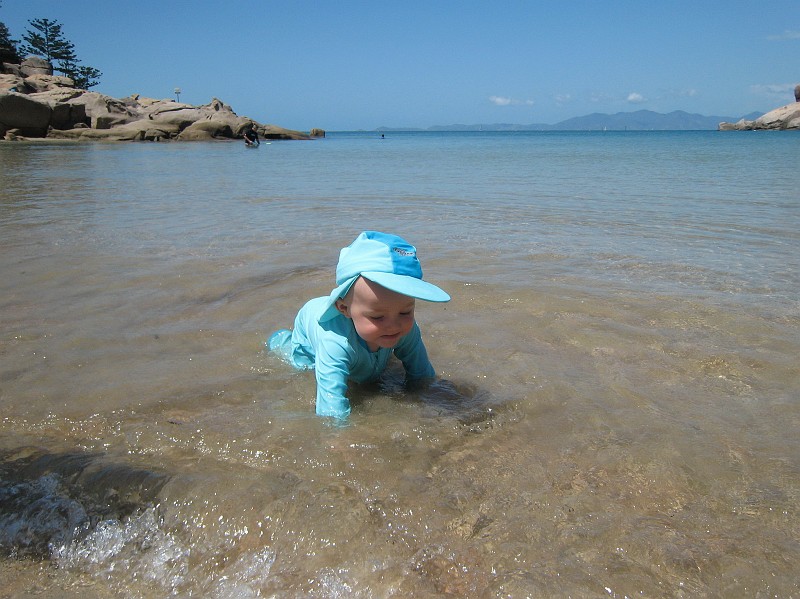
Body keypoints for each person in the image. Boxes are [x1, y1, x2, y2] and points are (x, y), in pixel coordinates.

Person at [267, 231, 450, 419]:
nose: (394, 325)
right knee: (303, 366)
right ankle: (280, 341)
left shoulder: (406, 329)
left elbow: (422, 375)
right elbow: (330, 407)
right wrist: (340, 438)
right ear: (344, 308)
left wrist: (437, 400)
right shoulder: (334, 342)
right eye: (378, 317)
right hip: (310, 327)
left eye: (405, 312)